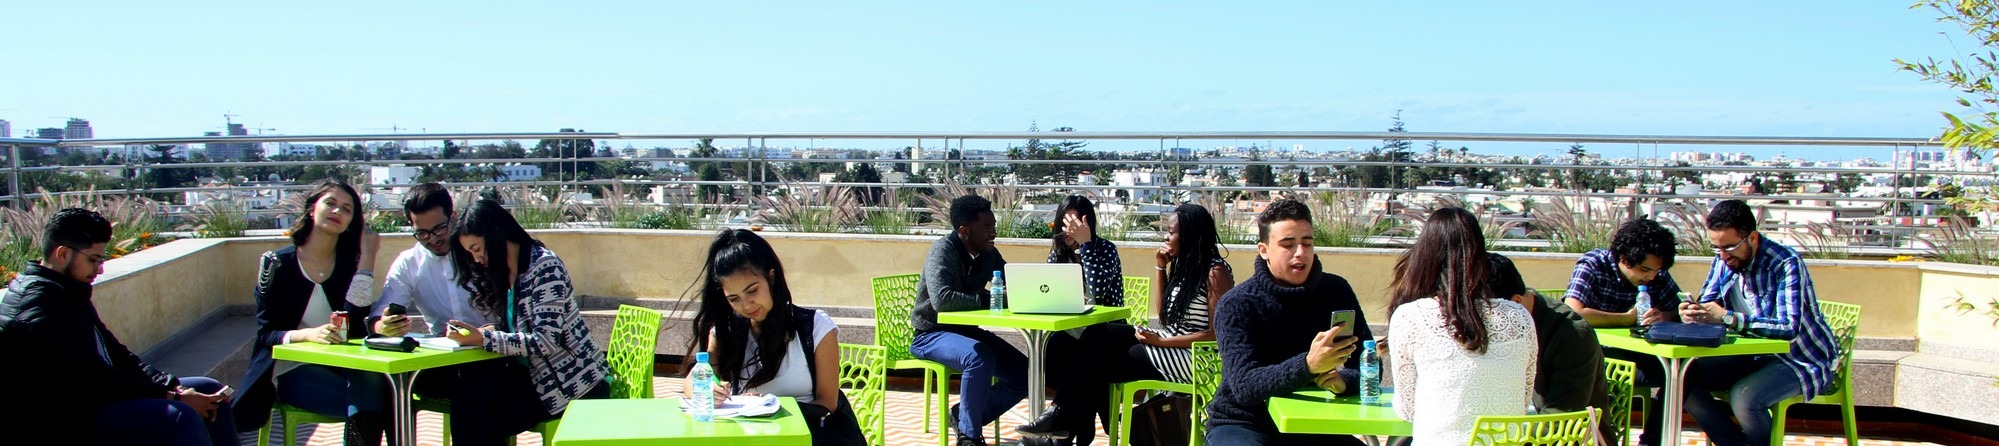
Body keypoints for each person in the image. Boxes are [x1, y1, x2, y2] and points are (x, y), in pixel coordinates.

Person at [0, 208, 237, 445]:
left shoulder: (66, 290)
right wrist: (173, 397)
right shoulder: (39, 304)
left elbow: (117, 353)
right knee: (179, 417)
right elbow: (90, 377)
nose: (100, 269)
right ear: (62, 254)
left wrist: (169, 384)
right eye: (93, 260)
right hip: (69, 416)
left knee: (208, 390)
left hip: (98, 398)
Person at [235, 179, 395, 445]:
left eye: (346, 209)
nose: (337, 212)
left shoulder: (349, 265)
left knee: (386, 392)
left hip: (342, 365)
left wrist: (367, 257)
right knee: (373, 403)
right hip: (291, 368)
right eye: (330, 203)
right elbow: (267, 334)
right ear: (312, 209)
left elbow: (355, 318)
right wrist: (309, 334)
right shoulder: (277, 264)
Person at [442, 198, 610, 445]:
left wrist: (485, 338)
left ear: (495, 234)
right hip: (537, 379)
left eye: (477, 249)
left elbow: (546, 341)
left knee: (479, 412)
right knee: (469, 395)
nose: (476, 259)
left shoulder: (544, 266)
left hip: (574, 384)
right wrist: (490, 332)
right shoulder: (507, 272)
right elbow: (517, 329)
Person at [1205, 199, 1368, 446]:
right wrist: (1308, 365)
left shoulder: (1336, 291)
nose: (1300, 253)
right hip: (1246, 423)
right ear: (1264, 250)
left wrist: (1345, 382)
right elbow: (1244, 386)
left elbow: (1367, 364)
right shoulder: (1237, 304)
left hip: (1317, 421)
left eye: (1307, 243)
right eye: (1288, 245)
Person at [1678, 200, 1839, 446]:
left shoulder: (1785, 263)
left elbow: (1788, 329)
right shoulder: (1724, 259)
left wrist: (1727, 317)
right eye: (1716, 248)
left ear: (1752, 238)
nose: (1723, 255)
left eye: (1730, 247)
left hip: (1801, 358)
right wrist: (1694, 312)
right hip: (1752, 354)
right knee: (1683, 380)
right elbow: (1710, 302)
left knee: (1745, 398)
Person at [686, 229, 866, 446]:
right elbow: (695, 378)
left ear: (771, 278)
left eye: (752, 290)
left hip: (808, 437)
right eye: (734, 299)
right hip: (749, 439)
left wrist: (773, 405)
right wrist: (705, 389)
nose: (746, 304)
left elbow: (827, 403)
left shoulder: (815, 327)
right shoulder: (728, 330)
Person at [1386, 207, 1536, 446]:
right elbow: (1522, 401)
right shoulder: (1519, 317)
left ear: (1424, 256)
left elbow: (1408, 411)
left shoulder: (1410, 317)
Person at [907, 194, 1028, 446]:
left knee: (1025, 373)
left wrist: (1038, 291)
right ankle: (969, 437)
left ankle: (963, 416)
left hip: (967, 333)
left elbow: (1013, 282)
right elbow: (943, 301)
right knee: (979, 357)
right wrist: (990, 298)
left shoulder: (988, 253)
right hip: (931, 334)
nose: (993, 232)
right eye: (986, 227)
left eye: (993, 225)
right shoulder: (943, 251)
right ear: (964, 230)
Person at [1562, 217, 1683, 446]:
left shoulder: (1655, 272)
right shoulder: (1594, 264)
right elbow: (1574, 311)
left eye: (1656, 271)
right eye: (1645, 270)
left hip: (1640, 355)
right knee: (1629, 376)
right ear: (1624, 259)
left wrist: (1663, 316)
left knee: (1680, 376)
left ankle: (1652, 441)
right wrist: (1627, 319)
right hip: (1597, 357)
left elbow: (1677, 308)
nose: (1650, 276)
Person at [371, 183, 488, 400]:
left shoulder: (480, 250)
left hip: (493, 352)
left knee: (475, 387)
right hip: (443, 360)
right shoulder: (409, 263)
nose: (433, 239)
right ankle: (397, 435)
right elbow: (378, 316)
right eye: (422, 233)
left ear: (453, 217)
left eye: (439, 229)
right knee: (388, 383)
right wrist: (385, 326)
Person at [1486, 253, 1611, 440]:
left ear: (1516, 303)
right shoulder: (1516, 321)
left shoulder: (1572, 334)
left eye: (1485, 314)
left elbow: (1560, 420)